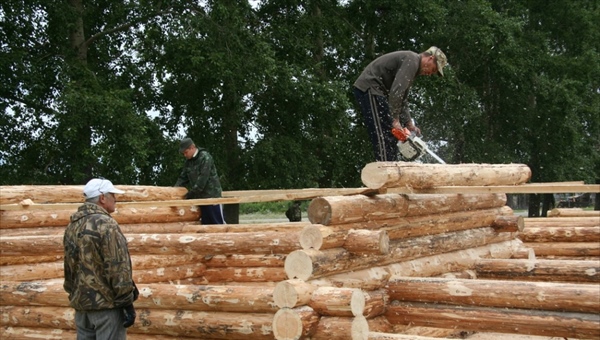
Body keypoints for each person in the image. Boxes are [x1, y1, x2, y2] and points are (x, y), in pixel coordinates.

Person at [63, 178, 138, 340]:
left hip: (82, 308)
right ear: (102, 198)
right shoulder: (106, 225)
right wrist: (126, 301)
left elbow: (68, 267)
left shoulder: (72, 225)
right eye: (112, 195)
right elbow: (118, 266)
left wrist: (74, 294)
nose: (115, 199)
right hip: (106, 308)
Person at [353, 46, 447, 161]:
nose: (430, 73)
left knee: (391, 134)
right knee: (383, 134)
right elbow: (397, 91)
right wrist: (395, 119)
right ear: (430, 59)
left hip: (378, 92)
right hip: (371, 89)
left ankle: (391, 164)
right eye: (433, 69)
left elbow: (403, 98)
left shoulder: (413, 64)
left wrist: (408, 123)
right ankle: (385, 167)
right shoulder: (412, 60)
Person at [175, 137, 226, 224]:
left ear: (192, 147)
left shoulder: (205, 157)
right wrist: (174, 190)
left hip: (212, 198)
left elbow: (202, 180)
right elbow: (182, 178)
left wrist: (190, 194)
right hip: (201, 200)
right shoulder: (188, 162)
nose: (185, 155)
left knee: (218, 225)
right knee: (205, 227)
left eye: (186, 152)